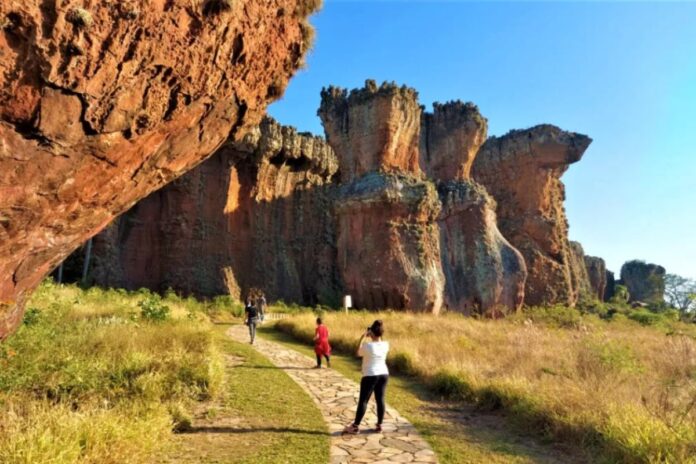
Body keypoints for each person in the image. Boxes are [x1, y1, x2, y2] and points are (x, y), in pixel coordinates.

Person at [343, 320, 389, 434]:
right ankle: (379, 425)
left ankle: (355, 427)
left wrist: (363, 337)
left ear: (371, 332)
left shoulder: (367, 346)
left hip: (370, 375)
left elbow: (358, 353)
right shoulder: (386, 344)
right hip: (383, 374)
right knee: (380, 399)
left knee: (363, 401)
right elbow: (379, 340)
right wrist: (373, 333)